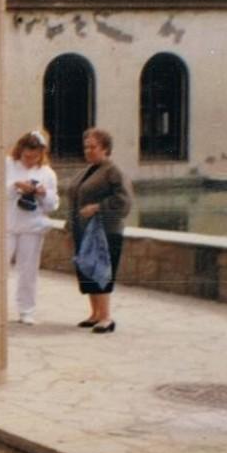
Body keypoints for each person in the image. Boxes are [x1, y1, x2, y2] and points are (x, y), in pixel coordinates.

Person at [67, 128, 132, 334]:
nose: (88, 151)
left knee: (101, 270)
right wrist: (70, 227)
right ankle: (95, 314)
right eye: (86, 147)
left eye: (93, 147)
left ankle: (106, 317)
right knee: (87, 271)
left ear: (105, 149)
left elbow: (124, 201)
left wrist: (97, 207)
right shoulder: (87, 171)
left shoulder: (113, 171)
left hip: (104, 232)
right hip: (84, 231)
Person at [6, 130, 60, 326]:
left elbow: (53, 205)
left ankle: (26, 310)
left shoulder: (47, 173)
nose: (30, 160)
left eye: (35, 156)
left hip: (32, 226)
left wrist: (43, 194)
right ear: (20, 150)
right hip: (7, 225)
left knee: (28, 271)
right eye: (27, 155)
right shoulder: (7, 165)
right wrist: (15, 186)